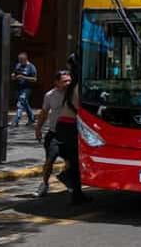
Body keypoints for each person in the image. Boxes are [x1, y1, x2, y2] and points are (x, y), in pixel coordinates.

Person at [55, 56, 91, 205]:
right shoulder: (77, 86)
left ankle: (77, 192)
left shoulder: (74, 85)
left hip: (65, 126)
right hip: (69, 127)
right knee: (75, 161)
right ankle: (74, 189)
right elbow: (80, 108)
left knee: (74, 160)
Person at [33, 70, 72, 197]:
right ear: (56, 82)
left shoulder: (75, 94)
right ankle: (44, 184)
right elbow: (44, 113)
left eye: (69, 80)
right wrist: (38, 128)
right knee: (50, 160)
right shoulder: (50, 95)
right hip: (54, 133)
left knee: (71, 161)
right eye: (64, 81)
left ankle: (68, 181)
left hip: (70, 133)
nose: (67, 83)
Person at [11, 52, 38, 127]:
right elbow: (15, 73)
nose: (19, 62)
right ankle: (32, 118)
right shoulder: (18, 65)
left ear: (26, 59)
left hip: (26, 88)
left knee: (20, 104)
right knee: (25, 104)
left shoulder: (31, 67)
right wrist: (13, 75)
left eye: (21, 60)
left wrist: (23, 77)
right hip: (18, 88)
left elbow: (34, 79)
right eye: (19, 60)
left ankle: (16, 121)